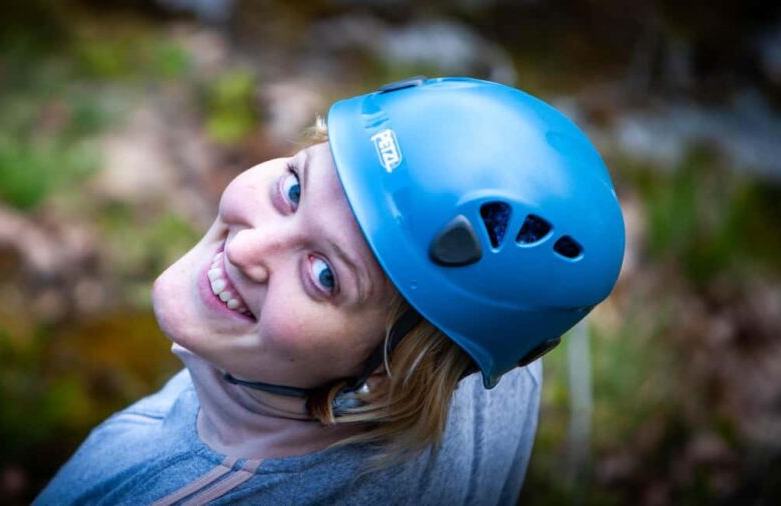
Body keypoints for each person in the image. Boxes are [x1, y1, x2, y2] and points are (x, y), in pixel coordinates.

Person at [35, 77, 624, 505]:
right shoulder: (489, 346)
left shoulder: (153, 487)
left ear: (389, 375)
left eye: (324, 276)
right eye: (294, 189)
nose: (245, 249)